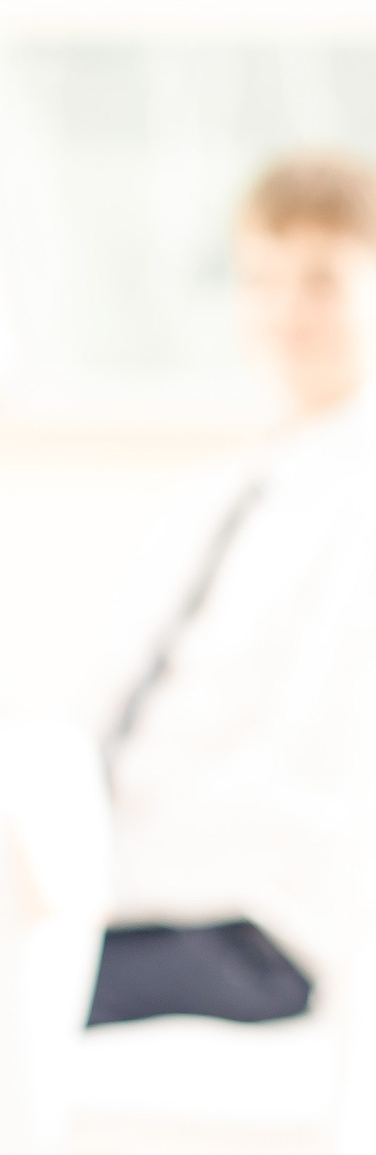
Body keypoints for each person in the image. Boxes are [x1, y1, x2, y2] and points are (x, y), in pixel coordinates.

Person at [93, 152, 376, 1029]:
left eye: (323, 281)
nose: (287, 310)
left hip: (258, 927)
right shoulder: (231, 490)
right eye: (263, 279)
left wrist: (103, 866)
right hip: (146, 888)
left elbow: (312, 765)